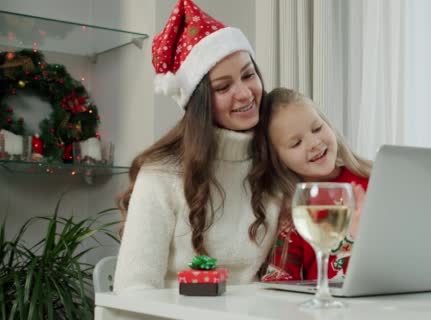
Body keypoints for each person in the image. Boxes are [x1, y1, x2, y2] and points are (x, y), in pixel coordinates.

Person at [113, 0, 280, 291]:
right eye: (223, 87)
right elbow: (133, 289)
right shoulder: (162, 174)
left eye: (248, 74)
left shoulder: (277, 159)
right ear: (199, 103)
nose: (244, 94)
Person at [250, 87, 372, 282]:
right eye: (296, 143)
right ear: (278, 160)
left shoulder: (374, 179)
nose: (314, 143)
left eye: (317, 128)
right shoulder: (291, 214)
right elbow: (279, 281)